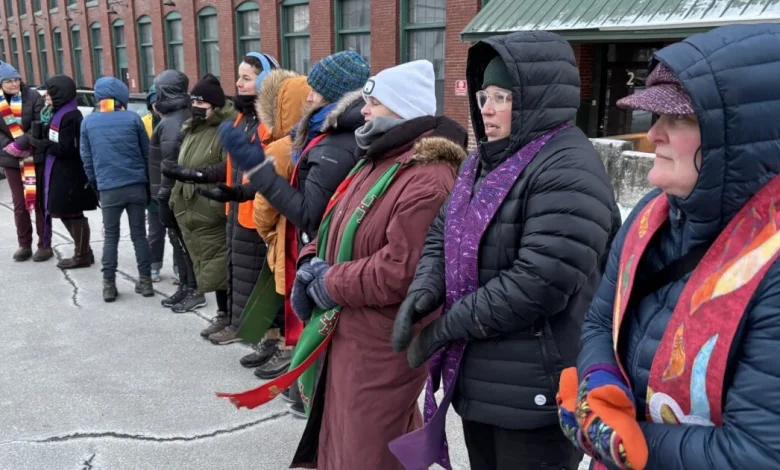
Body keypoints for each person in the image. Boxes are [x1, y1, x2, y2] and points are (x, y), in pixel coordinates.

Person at [391, 32, 621, 470]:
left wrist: (445, 328)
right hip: (484, 383)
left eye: (502, 96)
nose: (487, 108)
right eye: (483, 95)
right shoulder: (487, 160)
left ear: (536, 98)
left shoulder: (568, 165)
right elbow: (444, 233)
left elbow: (539, 282)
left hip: (538, 391)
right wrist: (425, 291)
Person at [562, 24, 780, 470]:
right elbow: (603, 319)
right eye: (656, 117)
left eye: (678, 119)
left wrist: (620, 439)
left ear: (732, 140)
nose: (653, 133)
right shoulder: (653, 215)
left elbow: (758, 453)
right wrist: (599, 385)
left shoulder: (770, 264)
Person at [263, 59, 464, 469]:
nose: (364, 110)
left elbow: (400, 271)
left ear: (403, 108)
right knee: (342, 438)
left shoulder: (429, 176)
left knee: (366, 449)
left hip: (382, 342)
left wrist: (329, 282)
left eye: (373, 102)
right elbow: (329, 223)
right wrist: (309, 265)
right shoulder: (375, 158)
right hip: (349, 329)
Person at [220, 50, 370, 383]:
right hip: (307, 243)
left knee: (304, 313)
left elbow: (307, 213)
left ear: (331, 95)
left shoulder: (331, 143)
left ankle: (304, 379)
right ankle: (301, 374)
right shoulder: (322, 134)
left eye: (315, 90)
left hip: (312, 246)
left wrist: (258, 171)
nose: (308, 97)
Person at [165, 53, 279, 344]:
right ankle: (239, 324)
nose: (238, 83)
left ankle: (259, 334)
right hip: (234, 208)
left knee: (253, 279)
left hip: (257, 212)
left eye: (247, 77)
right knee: (236, 274)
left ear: (266, 79)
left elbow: (268, 170)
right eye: (238, 77)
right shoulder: (244, 118)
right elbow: (230, 166)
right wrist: (195, 175)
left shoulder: (268, 121)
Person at [168, 74, 236, 318]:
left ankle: (228, 317)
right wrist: (173, 196)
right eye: (193, 103)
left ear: (215, 106)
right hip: (192, 208)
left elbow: (230, 167)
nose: (195, 108)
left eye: (202, 105)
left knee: (219, 268)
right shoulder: (195, 128)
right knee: (209, 267)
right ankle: (222, 315)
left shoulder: (227, 129)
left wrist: (195, 174)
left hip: (212, 210)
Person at [80, 77, 153, 302]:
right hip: (136, 186)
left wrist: (95, 183)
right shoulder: (133, 118)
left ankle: (109, 285)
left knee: (111, 237)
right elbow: (146, 153)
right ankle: (146, 281)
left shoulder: (88, 123)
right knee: (139, 235)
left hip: (109, 187)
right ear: (121, 97)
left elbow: (87, 158)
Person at [27, 75, 98, 269]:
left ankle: (82, 255)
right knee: (63, 211)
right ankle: (84, 251)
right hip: (60, 170)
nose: (47, 95)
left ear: (60, 93)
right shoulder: (57, 112)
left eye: (50, 91)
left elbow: (68, 149)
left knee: (72, 213)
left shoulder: (71, 116)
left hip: (71, 173)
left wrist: (41, 144)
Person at [150, 70, 200, 311]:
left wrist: (163, 198)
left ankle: (193, 290)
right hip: (176, 193)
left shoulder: (172, 122)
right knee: (180, 243)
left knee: (183, 244)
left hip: (174, 196)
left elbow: (170, 164)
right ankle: (186, 287)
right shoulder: (180, 115)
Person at [0, 62, 48, 262]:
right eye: (8, 81)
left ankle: (44, 245)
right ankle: (24, 244)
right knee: (20, 204)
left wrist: (22, 143)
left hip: (33, 155)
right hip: (10, 158)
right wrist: (9, 146)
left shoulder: (33, 96)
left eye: (16, 79)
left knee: (38, 203)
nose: (13, 84)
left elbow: (40, 122)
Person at [142, 85, 171, 283]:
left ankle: (180, 269)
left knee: (177, 233)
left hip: (172, 183)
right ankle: (154, 266)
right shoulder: (143, 123)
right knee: (155, 231)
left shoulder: (176, 121)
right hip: (153, 185)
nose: (156, 106)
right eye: (153, 102)